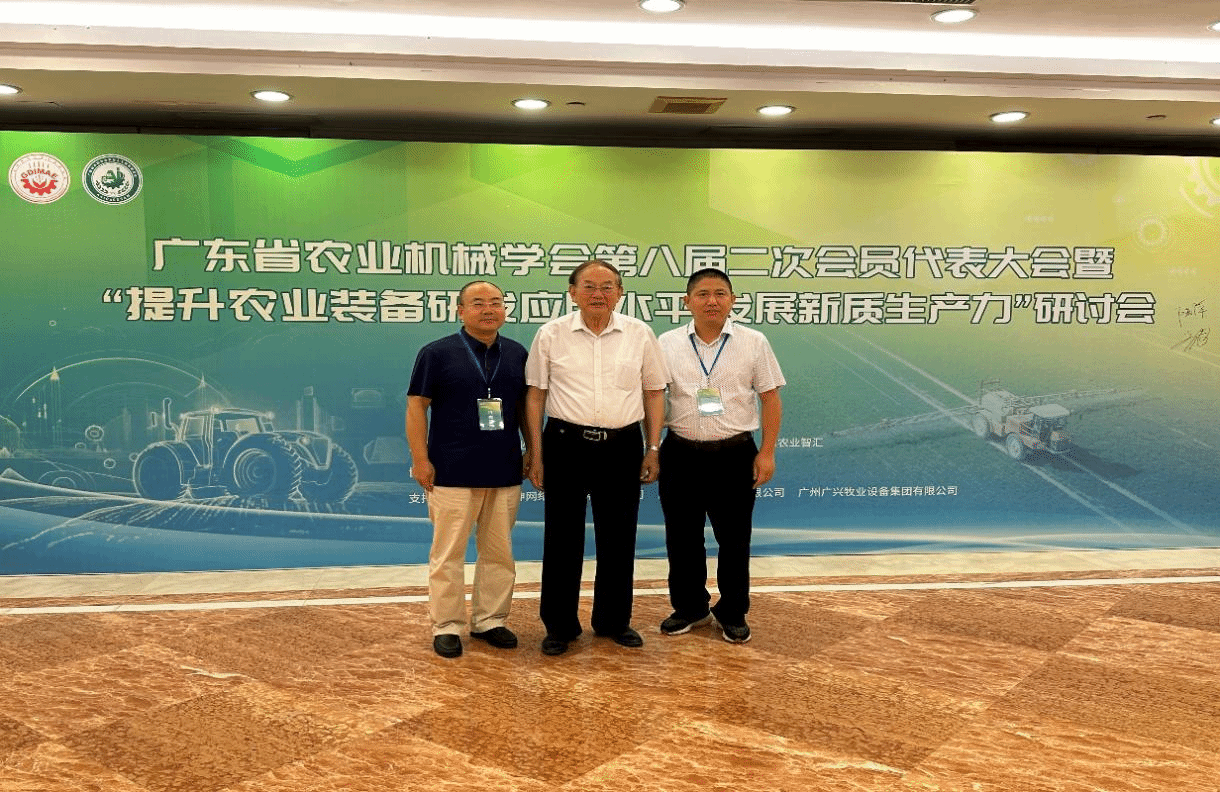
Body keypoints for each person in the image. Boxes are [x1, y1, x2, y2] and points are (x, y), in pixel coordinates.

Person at [525, 260, 669, 656]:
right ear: (572, 292)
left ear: (620, 293)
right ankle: (559, 627)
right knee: (561, 539)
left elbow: (654, 392)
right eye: (588, 286)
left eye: (607, 286)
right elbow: (536, 395)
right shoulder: (551, 334)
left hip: (622, 446)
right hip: (564, 444)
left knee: (619, 538)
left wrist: (653, 447)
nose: (598, 294)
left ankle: (613, 621)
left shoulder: (639, 333)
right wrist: (536, 453)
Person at [657, 268, 784, 644]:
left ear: (732, 300)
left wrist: (767, 452)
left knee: (734, 539)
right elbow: (653, 396)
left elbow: (770, 399)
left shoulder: (754, 341)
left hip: (735, 454)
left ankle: (733, 610)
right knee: (682, 538)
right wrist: (652, 446)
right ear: (687, 302)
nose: (711, 301)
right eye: (702, 294)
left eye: (720, 293)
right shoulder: (666, 343)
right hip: (681, 453)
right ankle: (690, 607)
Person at [406, 281, 529, 658]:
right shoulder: (436, 353)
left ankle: (490, 620)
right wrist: (420, 459)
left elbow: (524, 409)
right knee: (448, 554)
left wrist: (532, 452)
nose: (488, 309)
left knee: (499, 552)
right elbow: (416, 407)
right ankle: (447, 625)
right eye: (478, 303)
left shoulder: (517, 353)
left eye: (495, 302)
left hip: (504, 469)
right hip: (451, 470)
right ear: (460, 310)